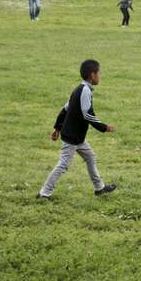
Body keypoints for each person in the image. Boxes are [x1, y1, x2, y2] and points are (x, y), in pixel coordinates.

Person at [37, 59, 117, 200]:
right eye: (99, 73)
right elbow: (88, 115)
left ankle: (99, 188)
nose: (100, 76)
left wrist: (57, 127)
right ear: (92, 75)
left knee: (90, 157)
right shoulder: (84, 91)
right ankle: (44, 193)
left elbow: (65, 110)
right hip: (72, 138)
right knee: (63, 165)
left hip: (77, 137)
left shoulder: (79, 89)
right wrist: (104, 127)